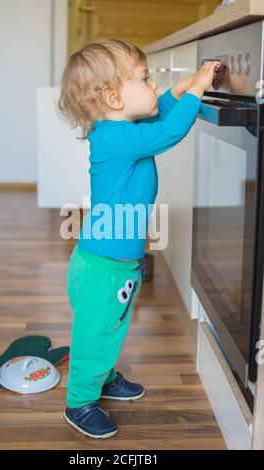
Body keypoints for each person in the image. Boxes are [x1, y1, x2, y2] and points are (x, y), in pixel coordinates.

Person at [57, 38, 220, 439]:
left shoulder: (120, 128)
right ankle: (79, 401)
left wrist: (177, 91)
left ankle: (105, 378)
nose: (154, 86)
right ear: (113, 97)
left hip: (113, 261)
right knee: (96, 333)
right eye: (146, 78)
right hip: (103, 269)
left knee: (109, 327)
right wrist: (196, 88)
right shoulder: (117, 138)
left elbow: (156, 113)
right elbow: (167, 131)